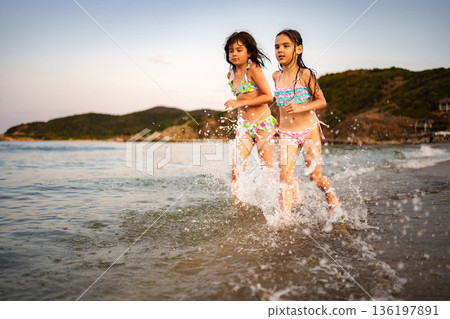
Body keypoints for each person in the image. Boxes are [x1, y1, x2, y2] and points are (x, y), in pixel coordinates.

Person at [272, 29, 340, 215]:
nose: (280, 50)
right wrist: (278, 125)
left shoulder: (306, 75)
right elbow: (280, 106)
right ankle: (285, 219)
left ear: (298, 49)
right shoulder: (276, 77)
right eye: (277, 46)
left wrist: (301, 107)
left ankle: (331, 197)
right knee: (284, 175)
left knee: (315, 176)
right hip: (287, 133)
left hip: (308, 130)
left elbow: (321, 101)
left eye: (286, 46)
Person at [224, 31, 276, 205]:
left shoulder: (253, 70)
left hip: (263, 124)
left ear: (250, 52)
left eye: (239, 50)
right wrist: (238, 105)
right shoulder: (230, 74)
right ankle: (237, 209)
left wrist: (239, 104)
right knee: (236, 169)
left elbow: (269, 96)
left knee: (266, 169)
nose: (234, 54)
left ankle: (281, 199)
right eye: (231, 50)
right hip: (244, 127)